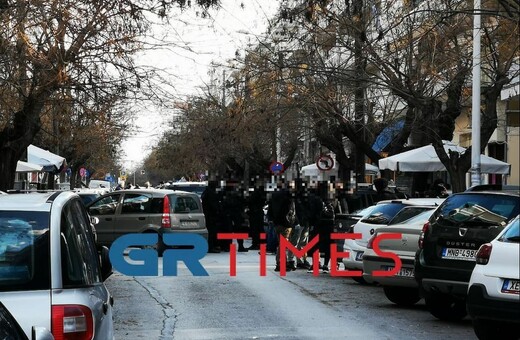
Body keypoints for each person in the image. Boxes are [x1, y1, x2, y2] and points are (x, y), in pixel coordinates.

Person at [269, 181, 296, 272]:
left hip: (277, 223)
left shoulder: (274, 195)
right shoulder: (288, 196)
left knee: (281, 243)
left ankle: (281, 263)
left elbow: (270, 208)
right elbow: (290, 210)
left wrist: (272, 219)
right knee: (283, 244)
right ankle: (280, 263)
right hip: (286, 223)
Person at [201, 180, 222, 253]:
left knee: (210, 232)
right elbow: (213, 205)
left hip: (208, 215)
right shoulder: (211, 193)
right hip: (211, 216)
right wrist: (218, 210)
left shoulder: (206, 192)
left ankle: (211, 246)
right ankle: (211, 247)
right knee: (212, 232)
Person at [247, 181, 266, 250]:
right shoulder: (262, 193)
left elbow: (250, 201)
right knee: (261, 229)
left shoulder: (255, 193)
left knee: (255, 229)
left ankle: (255, 243)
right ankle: (262, 242)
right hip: (259, 212)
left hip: (255, 213)